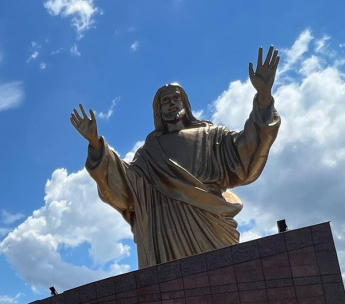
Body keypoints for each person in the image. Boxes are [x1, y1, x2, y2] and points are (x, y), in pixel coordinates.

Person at [70, 46, 281, 267]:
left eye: (176, 98)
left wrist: (264, 96)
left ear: (185, 104)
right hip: (164, 237)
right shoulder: (149, 152)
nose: (171, 102)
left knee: (225, 282)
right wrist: (95, 143)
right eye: (165, 100)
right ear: (158, 110)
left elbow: (247, 151)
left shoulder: (212, 136)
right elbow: (126, 186)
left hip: (210, 228)